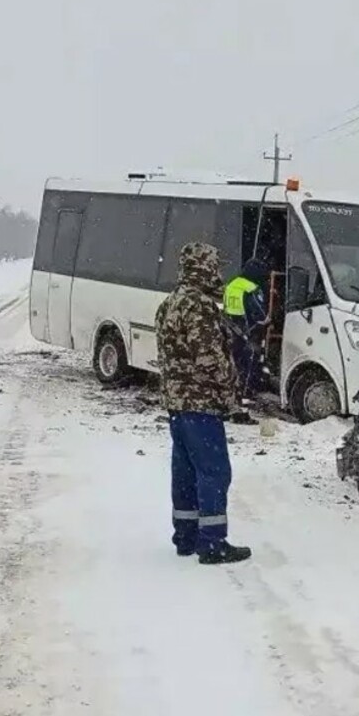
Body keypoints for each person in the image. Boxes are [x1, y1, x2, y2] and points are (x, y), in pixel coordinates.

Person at [155, 241, 252, 565]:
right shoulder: (199, 306)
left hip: (177, 404)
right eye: (214, 265)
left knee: (184, 472)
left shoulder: (171, 303)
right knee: (214, 472)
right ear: (204, 268)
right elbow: (209, 357)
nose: (218, 271)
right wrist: (231, 395)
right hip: (201, 402)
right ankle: (212, 543)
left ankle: (186, 536)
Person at [222, 256, 271, 415]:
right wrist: (267, 319)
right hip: (248, 331)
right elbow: (259, 311)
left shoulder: (232, 283)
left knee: (233, 363)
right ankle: (245, 395)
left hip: (231, 330)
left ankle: (231, 394)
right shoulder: (251, 287)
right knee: (248, 363)